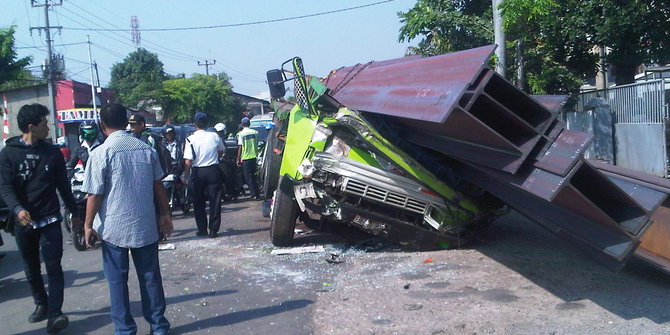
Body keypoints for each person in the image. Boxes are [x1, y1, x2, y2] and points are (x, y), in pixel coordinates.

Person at [81, 103, 173, 335]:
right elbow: (158, 186)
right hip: (145, 225)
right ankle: (159, 326)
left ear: (102, 125)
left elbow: (94, 194)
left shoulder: (101, 153)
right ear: (126, 122)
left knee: (117, 282)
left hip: (113, 227)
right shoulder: (145, 149)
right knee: (150, 277)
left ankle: (125, 330)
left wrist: (88, 224)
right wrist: (165, 215)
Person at [0, 103, 78, 334]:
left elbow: (63, 186)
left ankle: (55, 313)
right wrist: (16, 209)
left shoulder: (52, 152)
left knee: (54, 268)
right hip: (23, 222)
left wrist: (75, 212)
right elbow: (4, 187)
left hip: (50, 220)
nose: (48, 127)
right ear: (32, 127)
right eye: (45, 123)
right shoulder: (9, 154)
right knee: (31, 267)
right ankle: (41, 304)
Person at [183, 112, 225, 238]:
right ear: (207, 124)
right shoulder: (214, 136)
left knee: (198, 202)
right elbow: (221, 150)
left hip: (198, 172)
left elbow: (188, 161)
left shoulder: (190, 139)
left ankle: (202, 229)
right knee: (215, 201)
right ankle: (213, 230)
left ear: (194, 124)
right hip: (213, 170)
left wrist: (185, 176)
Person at [236, 117, 261, 200]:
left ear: (242, 124)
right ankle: (257, 193)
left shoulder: (241, 134)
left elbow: (240, 147)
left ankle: (253, 194)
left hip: (246, 157)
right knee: (254, 176)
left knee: (248, 177)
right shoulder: (255, 132)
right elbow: (256, 143)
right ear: (249, 124)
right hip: (254, 156)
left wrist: (238, 159)